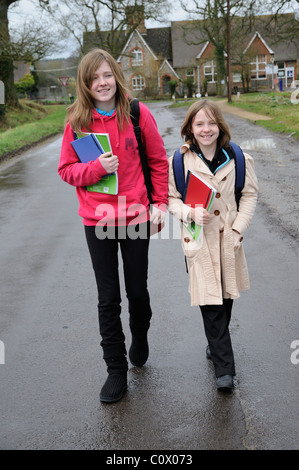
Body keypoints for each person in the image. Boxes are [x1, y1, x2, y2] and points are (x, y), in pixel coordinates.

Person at [58, 49, 168, 403]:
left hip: (134, 215)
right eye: (94, 79)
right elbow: (66, 170)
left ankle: (141, 332)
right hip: (97, 219)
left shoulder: (137, 114)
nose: (102, 83)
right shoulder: (76, 122)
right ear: (85, 85)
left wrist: (160, 205)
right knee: (108, 298)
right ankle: (115, 371)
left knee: (137, 291)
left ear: (116, 77)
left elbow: (157, 162)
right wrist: (96, 169)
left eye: (107, 75)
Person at [168, 99, 258, 391]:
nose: (206, 129)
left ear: (220, 126)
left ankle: (214, 342)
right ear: (190, 129)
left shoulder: (238, 157)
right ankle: (224, 370)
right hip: (198, 241)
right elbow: (171, 200)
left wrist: (238, 228)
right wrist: (188, 212)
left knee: (226, 298)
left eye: (211, 123)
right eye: (199, 124)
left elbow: (249, 196)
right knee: (211, 303)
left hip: (229, 240)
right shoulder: (180, 162)